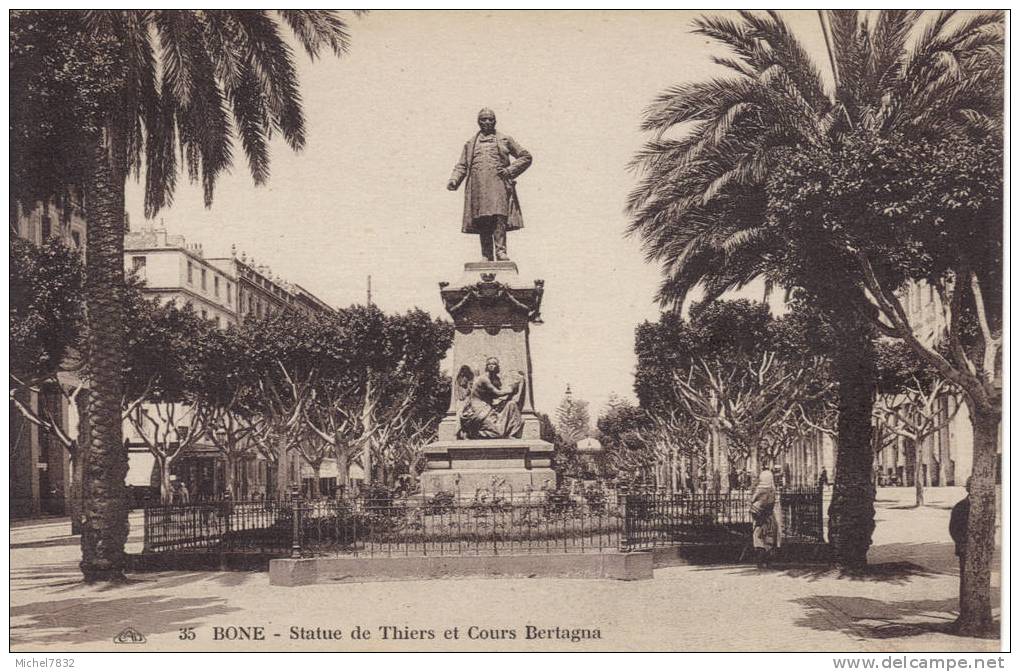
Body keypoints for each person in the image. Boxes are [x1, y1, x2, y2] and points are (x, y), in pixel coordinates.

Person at [447, 108, 532, 261]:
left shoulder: (505, 139)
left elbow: (525, 156)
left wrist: (510, 170)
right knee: (483, 218)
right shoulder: (470, 143)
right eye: (483, 119)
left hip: (498, 183)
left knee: (499, 217)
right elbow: (462, 165)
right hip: (478, 186)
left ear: (495, 121)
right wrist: (454, 180)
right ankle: (486, 254)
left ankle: (500, 251)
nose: (487, 122)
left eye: (490, 119)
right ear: (478, 122)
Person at [456, 357, 526, 439]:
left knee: (511, 404)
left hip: (488, 408)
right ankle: (471, 433)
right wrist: (512, 388)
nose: (491, 366)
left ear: (497, 366)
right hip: (479, 411)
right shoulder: (484, 379)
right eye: (489, 364)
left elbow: (495, 396)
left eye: (494, 364)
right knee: (498, 433)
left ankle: (512, 431)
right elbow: (497, 393)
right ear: (486, 366)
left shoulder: (494, 379)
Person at [749, 469, 781, 568]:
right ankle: (768, 561)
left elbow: (752, 501)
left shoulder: (759, 490)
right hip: (769, 518)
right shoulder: (772, 490)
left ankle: (760, 561)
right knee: (769, 539)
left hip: (760, 518)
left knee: (759, 539)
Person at [949, 478, 972, 579]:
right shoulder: (960, 506)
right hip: (965, 549)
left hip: (982, 550)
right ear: (969, 489)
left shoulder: (986, 506)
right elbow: (953, 529)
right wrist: (964, 544)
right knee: (966, 579)